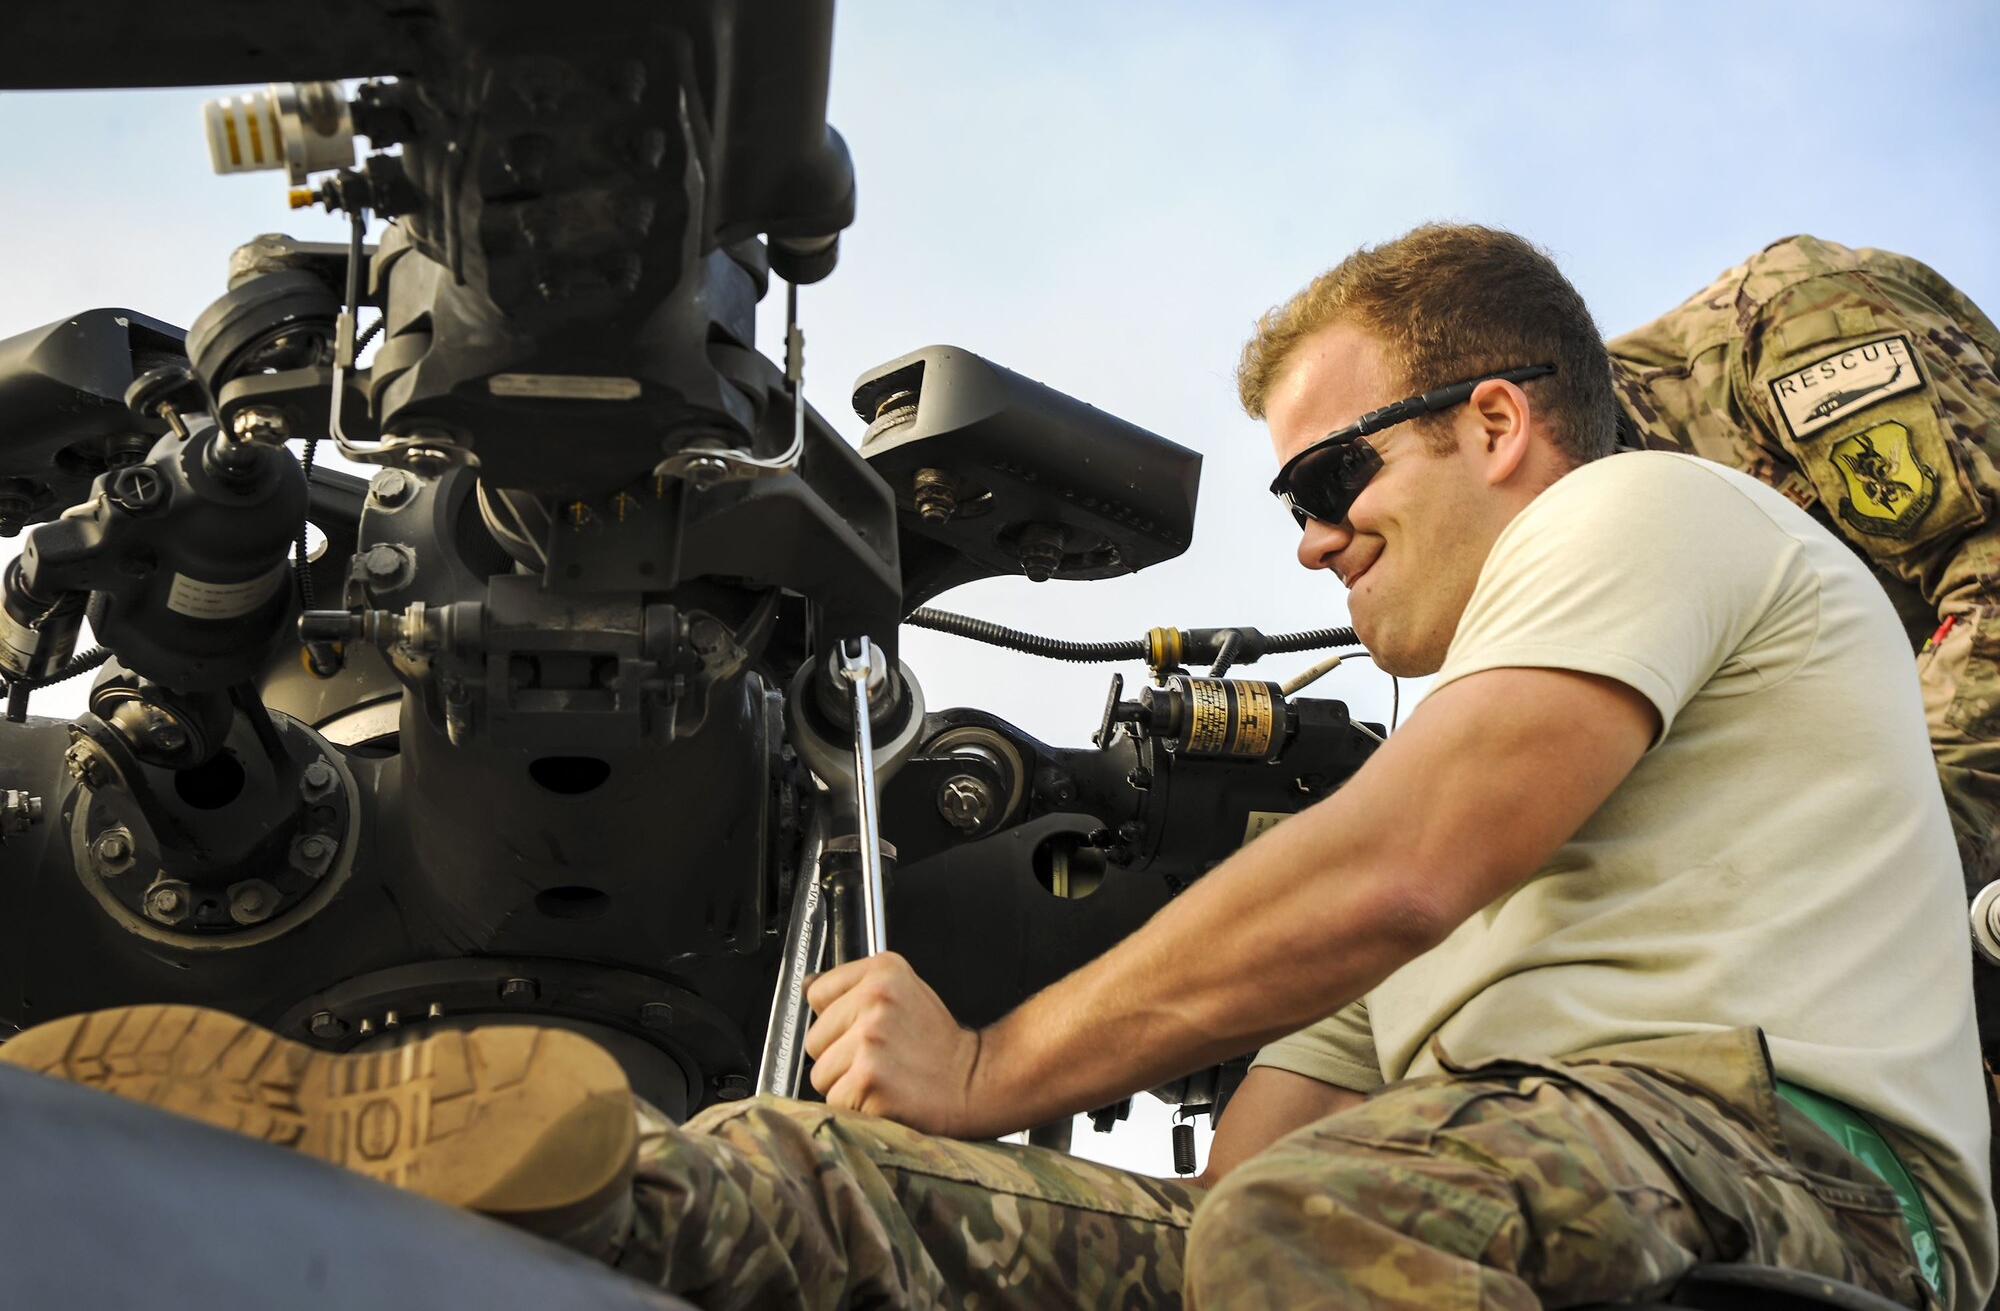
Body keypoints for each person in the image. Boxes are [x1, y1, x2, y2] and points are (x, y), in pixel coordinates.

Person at [3, 224, 1992, 1310]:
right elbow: (1259, 1169)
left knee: (1320, 1221)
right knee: (797, 1189)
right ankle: (360, 1158)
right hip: (1456, 1188)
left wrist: (992, 1063)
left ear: (1492, 423)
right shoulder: (1437, 829)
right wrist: (938, 1173)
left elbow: (1398, 867)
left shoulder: (1647, 518)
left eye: (1326, 474)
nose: (1303, 539)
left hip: (1794, 1177)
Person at [1607, 236, 2000, 898]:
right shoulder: (1574, 591)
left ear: (1494, 423)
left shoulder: (1792, 320)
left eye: (1367, 467)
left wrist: (1866, 885)